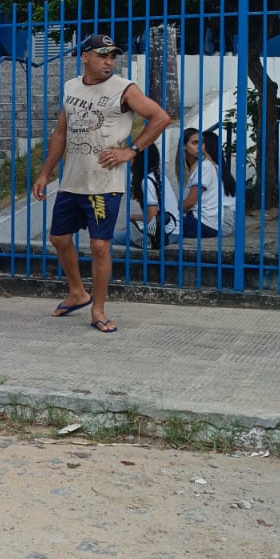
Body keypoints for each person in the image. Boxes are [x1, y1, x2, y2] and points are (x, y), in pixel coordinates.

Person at [30, 32, 171, 334]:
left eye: (113, 57)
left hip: (104, 184)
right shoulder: (71, 87)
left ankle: (98, 310)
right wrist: (45, 173)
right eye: (103, 56)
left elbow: (160, 117)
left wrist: (130, 150)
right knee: (58, 238)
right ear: (85, 57)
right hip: (72, 180)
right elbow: (60, 134)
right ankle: (78, 292)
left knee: (99, 246)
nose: (109, 62)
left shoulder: (124, 89)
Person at [115, 142, 180, 249]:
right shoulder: (159, 176)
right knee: (125, 232)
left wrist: (133, 217)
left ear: (138, 159)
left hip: (165, 234)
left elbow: (152, 218)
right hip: (175, 232)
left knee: (109, 239)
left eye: (131, 156)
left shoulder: (147, 181)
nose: (128, 160)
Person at [181, 127, 236, 239]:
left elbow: (191, 202)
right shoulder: (220, 169)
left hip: (217, 221)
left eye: (202, 143)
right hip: (226, 219)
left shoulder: (207, 167)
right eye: (196, 143)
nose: (200, 147)